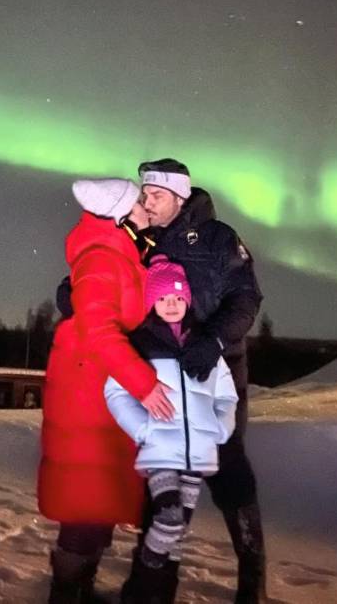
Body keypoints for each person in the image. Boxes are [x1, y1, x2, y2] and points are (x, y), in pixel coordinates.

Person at [39, 178, 175, 604]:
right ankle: (66, 593)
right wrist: (145, 385)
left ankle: (78, 588)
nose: (146, 212)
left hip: (98, 391)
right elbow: (99, 330)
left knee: (95, 501)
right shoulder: (100, 257)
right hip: (87, 394)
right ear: (119, 214)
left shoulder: (119, 252)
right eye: (139, 206)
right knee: (85, 502)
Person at [136, 158, 265, 602]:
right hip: (163, 374)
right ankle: (153, 587)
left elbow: (246, 299)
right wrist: (73, 292)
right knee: (165, 472)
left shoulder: (219, 239)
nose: (145, 202)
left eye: (155, 195)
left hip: (219, 370)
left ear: (179, 197)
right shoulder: (140, 239)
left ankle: (252, 581)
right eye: (144, 193)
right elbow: (100, 281)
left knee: (226, 463)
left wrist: (211, 341)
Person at [105, 256, 239, 602]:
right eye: (164, 298)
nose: (172, 304)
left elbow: (227, 395)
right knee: (168, 517)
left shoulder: (205, 346)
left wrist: (220, 429)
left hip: (198, 456)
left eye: (179, 298)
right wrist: (142, 429)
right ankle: (147, 568)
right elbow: (116, 390)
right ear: (152, 302)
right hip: (161, 451)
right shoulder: (143, 342)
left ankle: (154, 591)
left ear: (188, 301)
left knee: (177, 539)